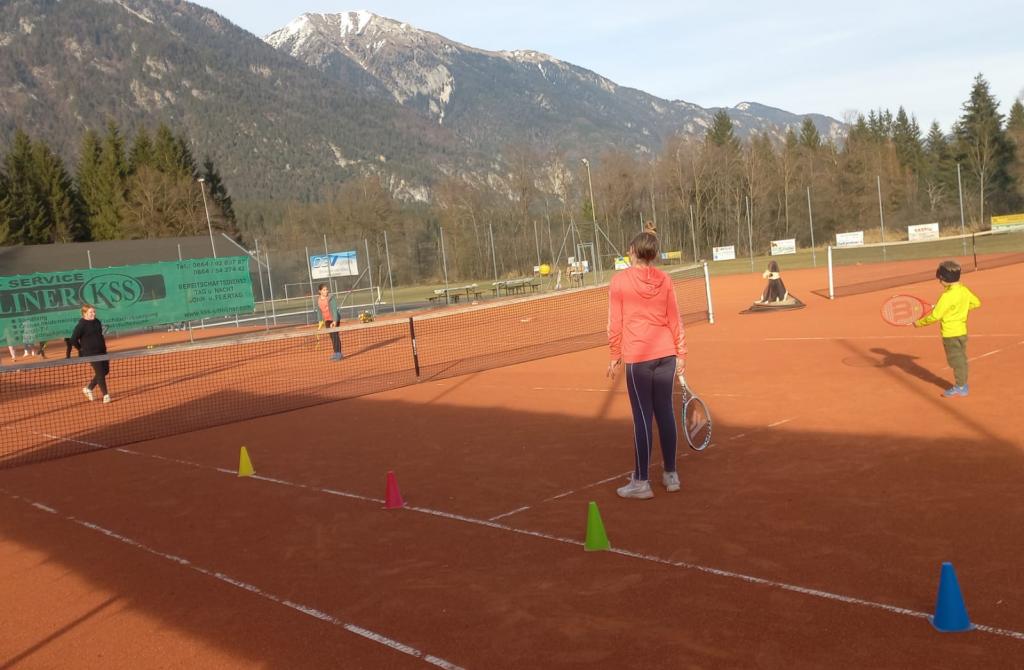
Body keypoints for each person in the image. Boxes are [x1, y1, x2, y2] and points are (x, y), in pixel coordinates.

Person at [606, 225, 687, 499]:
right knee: (665, 413)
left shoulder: (620, 281)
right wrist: (681, 353)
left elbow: (615, 322)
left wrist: (614, 355)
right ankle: (671, 474)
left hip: (639, 357)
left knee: (642, 417)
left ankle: (641, 481)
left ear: (633, 251)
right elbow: (675, 318)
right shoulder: (665, 279)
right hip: (666, 354)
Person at [914, 260, 981, 398]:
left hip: (950, 334)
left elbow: (935, 316)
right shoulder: (963, 290)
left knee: (956, 361)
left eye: (940, 279)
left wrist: (919, 323)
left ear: (945, 279)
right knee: (960, 358)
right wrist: (957, 310)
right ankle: (962, 384)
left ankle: (961, 387)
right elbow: (976, 303)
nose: (939, 281)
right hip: (962, 332)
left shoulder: (946, 296)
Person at [70, 303, 112, 403]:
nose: (93, 314)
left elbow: (99, 335)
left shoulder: (97, 322)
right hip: (91, 353)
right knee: (100, 373)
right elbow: (73, 339)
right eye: (91, 312)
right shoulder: (81, 325)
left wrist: (103, 348)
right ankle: (106, 395)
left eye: (94, 312)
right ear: (84, 313)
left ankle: (89, 388)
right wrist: (80, 349)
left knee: (105, 371)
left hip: (102, 351)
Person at [312, 283, 344, 361]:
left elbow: (334, 310)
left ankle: (339, 353)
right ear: (320, 291)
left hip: (334, 319)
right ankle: (335, 352)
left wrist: (335, 321)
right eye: (324, 290)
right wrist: (320, 321)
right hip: (326, 320)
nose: (326, 291)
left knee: (335, 335)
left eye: (326, 289)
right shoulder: (318, 300)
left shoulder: (331, 298)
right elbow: (319, 311)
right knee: (332, 336)